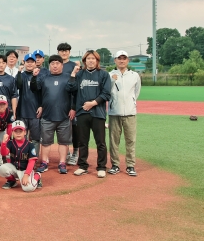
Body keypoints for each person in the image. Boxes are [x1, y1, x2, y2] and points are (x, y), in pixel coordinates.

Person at [66, 50, 111, 178]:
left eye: (93, 58)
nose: (91, 61)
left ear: (97, 61)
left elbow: (106, 93)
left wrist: (92, 103)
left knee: (100, 142)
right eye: (88, 59)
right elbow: (70, 89)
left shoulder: (103, 74)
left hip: (98, 113)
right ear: (84, 61)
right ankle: (82, 166)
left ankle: (101, 167)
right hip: (82, 112)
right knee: (82, 141)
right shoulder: (80, 74)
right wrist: (73, 74)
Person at [30, 55, 75, 175]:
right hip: (47, 116)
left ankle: (62, 163)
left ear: (62, 65)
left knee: (63, 142)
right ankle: (44, 162)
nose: (55, 66)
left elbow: (74, 93)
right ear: (49, 65)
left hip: (64, 116)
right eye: (52, 63)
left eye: (57, 63)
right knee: (45, 142)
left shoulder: (68, 77)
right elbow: (34, 89)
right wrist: (34, 77)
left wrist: (73, 108)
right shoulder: (44, 77)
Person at [107, 51, 141, 176]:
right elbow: (106, 92)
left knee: (131, 140)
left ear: (128, 60)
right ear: (115, 60)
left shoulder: (134, 75)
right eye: (119, 58)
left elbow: (136, 92)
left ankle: (130, 166)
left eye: (124, 58)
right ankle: (115, 165)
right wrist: (112, 81)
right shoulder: (109, 75)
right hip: (114, 113)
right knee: (114, 140)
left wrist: (131, 102)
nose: (122, 61)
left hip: (130, 113)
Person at [0, 120, 41, 191]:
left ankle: (37, 176)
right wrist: (3, 143)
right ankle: (12, 181)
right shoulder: (10, 143)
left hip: (25, 170)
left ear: (25, 132)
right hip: (14, 168)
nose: (18, 133)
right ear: (12, 132)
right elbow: (4, 153)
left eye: (20, 131)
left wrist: (26, 175)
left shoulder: (30, 145)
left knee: (28, 188)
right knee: (2, 169)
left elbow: (32, 161)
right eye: (16, 131)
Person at [15, 54, 43, 160]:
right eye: (28, 62)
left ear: (35, 63)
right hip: (22, 111)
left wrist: (41, 106)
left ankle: (33, 159)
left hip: (35, 112)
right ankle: (22, 159)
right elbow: (18, 85)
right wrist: (19, 72)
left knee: (35, 138)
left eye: (32, 62)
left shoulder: (40, 75)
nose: (30, 64)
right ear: (24, 63)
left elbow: (42, 92)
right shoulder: (21, 75)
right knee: (22, 137)